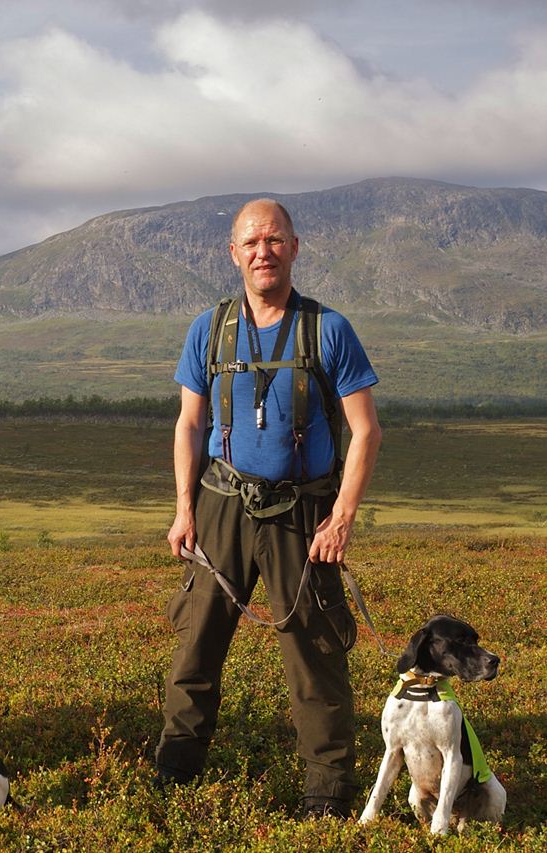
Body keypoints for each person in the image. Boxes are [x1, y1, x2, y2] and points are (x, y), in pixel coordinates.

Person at [155, 199, 382, 818]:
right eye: (251, 241)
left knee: (315, 658)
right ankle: (175, 776)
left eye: (275, 240)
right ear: (234, 253)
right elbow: (190, 422)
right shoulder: (209, 328)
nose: (263, 251)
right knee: (195, 648)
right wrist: (184, 510)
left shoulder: (329, 329)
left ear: (295, 247)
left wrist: (341, 518)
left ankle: (327, 796)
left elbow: (366, 431)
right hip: (221, 504)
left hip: (302, 517)